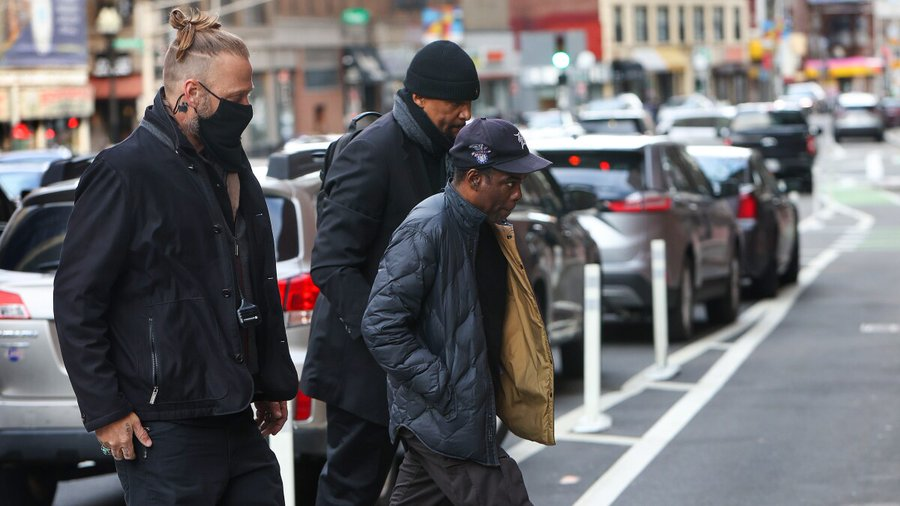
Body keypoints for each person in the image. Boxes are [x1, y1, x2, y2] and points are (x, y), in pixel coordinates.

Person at [53, 9, 298, 504]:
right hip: (165, 431)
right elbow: (78, 300)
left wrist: (269, 378)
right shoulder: (123, 172)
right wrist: (105, 412)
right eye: (237, 98)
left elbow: (251, 274)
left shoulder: (229, 161)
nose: (247, 107)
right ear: (191, 94)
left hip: (236, 415)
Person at [301, 39, 480, 504]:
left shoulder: (445, 152)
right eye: (454, 103)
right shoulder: (372, 153)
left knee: (437, 490)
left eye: (469, 104)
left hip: (426, 366)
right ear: (418, 97)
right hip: (364, 369)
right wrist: (388, 341)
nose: (464, 114)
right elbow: (332, 264)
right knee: (351, 491)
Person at [361, 118, 556, 505]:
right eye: (509, 182)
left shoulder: (483, 227)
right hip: (443, 418)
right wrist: (443, 385)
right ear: (474, 178)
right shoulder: (428, 227)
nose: (518, 194)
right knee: (507, 495)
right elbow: (380, 324)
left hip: (450, 415)